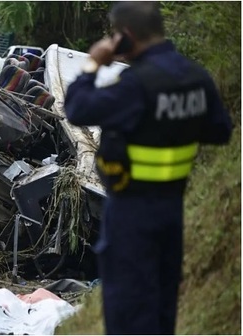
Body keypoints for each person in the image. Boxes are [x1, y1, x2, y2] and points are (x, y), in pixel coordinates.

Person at [63, 2, 233, 334]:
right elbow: (220, 131)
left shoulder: (137, 85)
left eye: (114, 35)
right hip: (172, 210)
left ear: (125, 36)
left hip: (131, 213)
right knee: (160, 304)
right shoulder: (196, 77)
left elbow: (78, 108)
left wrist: (93, 64)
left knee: (128, 308)